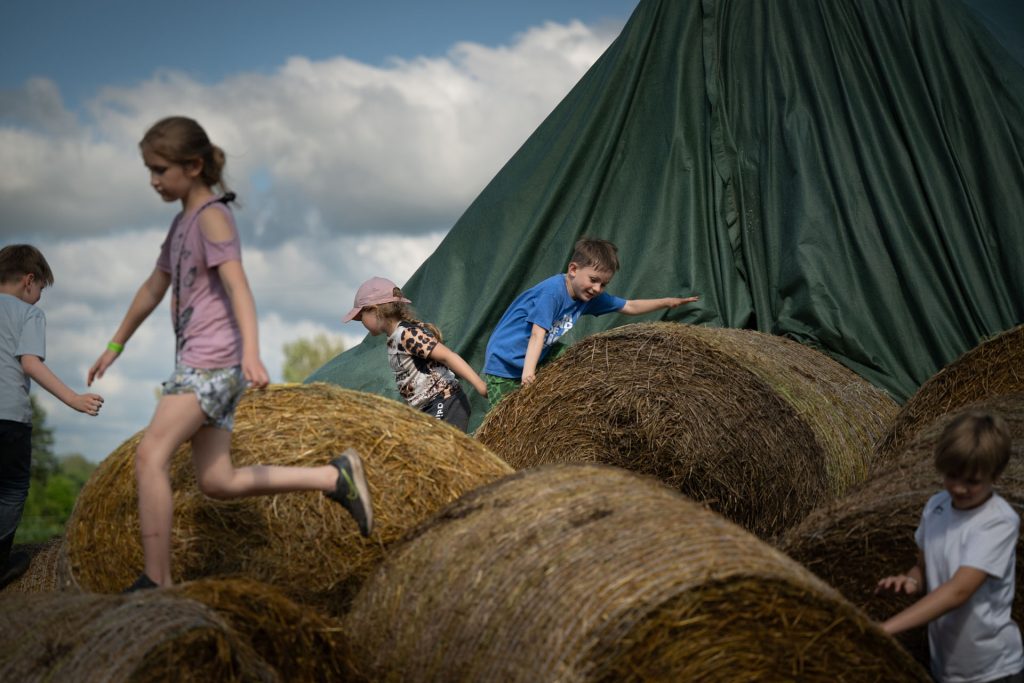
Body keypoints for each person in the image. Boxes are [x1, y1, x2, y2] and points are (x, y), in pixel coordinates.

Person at [87, 116, 372, 592]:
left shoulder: (213, 216)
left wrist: (252, 354)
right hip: (197, 364)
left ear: (193, 165)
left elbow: (239, 287)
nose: (153, 180)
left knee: (149, 455)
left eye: (160, 170)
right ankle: (333, 477)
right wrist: (116, 344)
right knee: (217, 481)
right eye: (149, 170)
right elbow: (154, 286)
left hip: (212, 364)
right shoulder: (182, 224)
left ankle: (157, 579)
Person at [876, 411, 1023, 683]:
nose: (959, 487)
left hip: (993, 671)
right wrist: (910, 580)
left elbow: (958, 591)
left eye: (972, 481)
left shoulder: (997, 522)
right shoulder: (936, 506)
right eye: (952, 476)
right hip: (945, 667)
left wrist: (885, 629)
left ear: (996, 475)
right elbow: (924, 567)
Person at [482, 237, 699, 408]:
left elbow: (629, 306)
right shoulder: (553, 292)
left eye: (603, 284)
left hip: (538, 355)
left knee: (582, 356)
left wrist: (666, 302)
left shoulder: (588, 296)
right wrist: (529, 376)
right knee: (507, 422)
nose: (597, 289)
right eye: (594, 280)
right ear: (573, 270)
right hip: (505, 363)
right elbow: (537, 334)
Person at [0, 244, 104, 589]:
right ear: (29, 280)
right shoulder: (28, 314)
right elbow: (30, 363)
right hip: (9, 418)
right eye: (41, 289)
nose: (39, 297)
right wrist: (74, 399)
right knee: (12, 489)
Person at [343, 277, 487, 432]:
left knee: (438, 450)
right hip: (428, 408)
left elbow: (448, 356)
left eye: (361, 316)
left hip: (446, 401)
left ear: (375, 309)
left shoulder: (406, 334)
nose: (361, 322)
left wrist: (480, 385)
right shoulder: (393, 339)